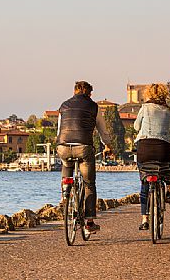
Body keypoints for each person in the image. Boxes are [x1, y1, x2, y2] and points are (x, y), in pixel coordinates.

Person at [56, 81, 113, 234]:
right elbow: (102, 130)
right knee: (89, 184)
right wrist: (108, 145)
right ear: (89, 93)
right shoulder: (94, 107)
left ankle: (65, 191)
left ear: (74, 91)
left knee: (66, 164)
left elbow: (59, 129)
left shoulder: (63, 106)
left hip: (63, 146)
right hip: (83, 147)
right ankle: (89, 222)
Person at [133, 83, 170, 230]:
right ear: (164, 95)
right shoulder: (168, 111)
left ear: (148, 94)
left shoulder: (144, 108)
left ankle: (144, 219)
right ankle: (169, 191)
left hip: (144, 149)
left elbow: (136, 127)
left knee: (144, 182)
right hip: (163, 149)